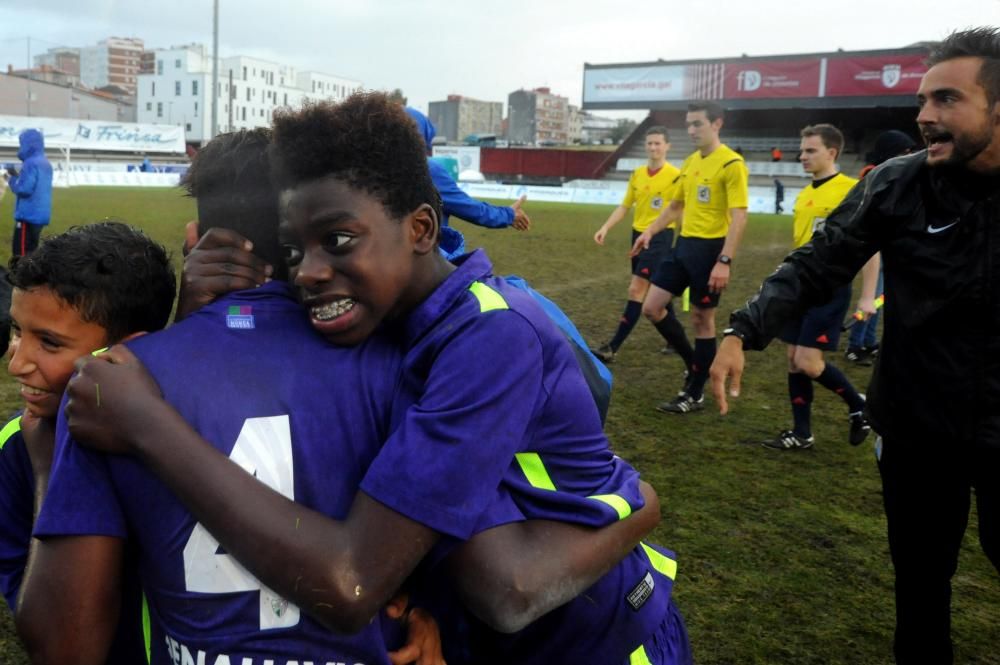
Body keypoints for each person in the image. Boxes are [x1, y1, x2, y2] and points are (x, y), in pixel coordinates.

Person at [35, 121, 685, 664]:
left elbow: (490, 584)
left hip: (598, 634)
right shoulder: (392, 337)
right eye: (296, 250)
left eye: (338, 240)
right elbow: (593, 395)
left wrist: (640, 505)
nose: (313, 271)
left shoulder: (492, 334)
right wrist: (204, 325)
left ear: (422, 229)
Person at [710, 27, 1000, 664]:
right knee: (921, 591)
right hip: (918, 428)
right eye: (923, 100)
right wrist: (743, 329)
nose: (924, 116)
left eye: (946, 100)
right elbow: (816, 263)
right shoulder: (898, 183)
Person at [0, 222, 178, 664]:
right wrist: (47, 474)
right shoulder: (16, 447)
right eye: (17, 331)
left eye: (49, 342)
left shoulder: (186, 435)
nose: (16, 362)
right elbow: (47, 634)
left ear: (127, 349)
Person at [632, 100, 749, 414]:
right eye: (689, 124)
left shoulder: (731, 164)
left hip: (710, 251)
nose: (692, 130)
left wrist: (724, 261)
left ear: (717, 124)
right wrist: (650, 232)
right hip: (682, 246)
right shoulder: (689, 163)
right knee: (652, 307)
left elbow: (739, 217)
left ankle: (695, 392)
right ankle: (693, 362)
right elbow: (674, 207)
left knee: (702, 320)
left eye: (697, 123)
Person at [764, 124, 873, 451]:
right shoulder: (805, 193)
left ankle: (859, 407)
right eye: (802, 150)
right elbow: (802, 244)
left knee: (809, 362)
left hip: (829, 289)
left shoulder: (850, 190)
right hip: (798, 287)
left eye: (811, 150)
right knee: (793, 360)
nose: (802, 156)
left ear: (832, 152)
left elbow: (869, 247)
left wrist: (868, 296)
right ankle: (801, 433)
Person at [591, 125, 681, 363]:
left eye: (658, 143)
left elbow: (679, 210)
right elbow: (625, 206)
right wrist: (605, 227)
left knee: (636, 289)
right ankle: (673, 336)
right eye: (650, 143)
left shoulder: (675, 175)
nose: (653, 147)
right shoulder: (637, 174)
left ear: (667, 146)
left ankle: (612, 347)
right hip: (637, 235)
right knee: (653, 288)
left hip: (660, 237)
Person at [405, 107, 530, 260]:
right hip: (424, 265)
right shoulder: (427, 170)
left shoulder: (372, 171)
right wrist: (508, 215)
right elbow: (472, 209)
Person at [844, 129, 918, 366]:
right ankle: (855, 345)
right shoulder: (873, 175)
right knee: (870, 297)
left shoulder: (897, 175)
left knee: (879, 299)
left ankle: (868, 340)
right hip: (875, 249)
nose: (909, 156)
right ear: (889, 152)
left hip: (891, 248)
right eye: (903, 152)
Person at [6, 129, 53, 257]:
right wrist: (17, 176)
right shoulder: (45, 162)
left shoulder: (30, 163)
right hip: (40, 214)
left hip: (28, 214)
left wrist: (11, 180)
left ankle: (19, 276)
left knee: (20, 252)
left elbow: (24, 189)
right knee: (32, 250)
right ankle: (31, 275)